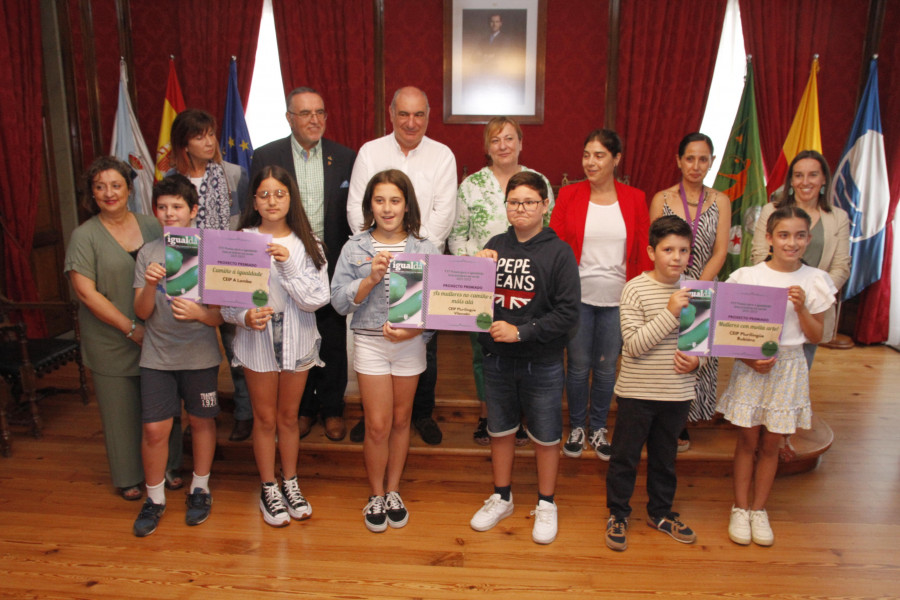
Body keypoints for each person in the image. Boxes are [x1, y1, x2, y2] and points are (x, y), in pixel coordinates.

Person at [468, 171, 579, 545]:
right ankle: (502, 496)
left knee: (546, 436)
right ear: (506, 206)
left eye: (530, 201)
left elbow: (567, 314)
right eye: (514, 202)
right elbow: (472, 303)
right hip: (497, 359)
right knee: (499, 430)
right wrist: (478, 268)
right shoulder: (494, 245)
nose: (521, 208)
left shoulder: (559, 252)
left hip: (542, 360)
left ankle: (547, 503)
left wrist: (522, 331)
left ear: (545, 206)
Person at [64, 156, 181, 501]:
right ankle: (129, 476)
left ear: (130, 189)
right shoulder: (83, 236)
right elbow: (87, 293)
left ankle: (169, 466)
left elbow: (178, 270)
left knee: (163, 406)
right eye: (100, 187)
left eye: (116, 185)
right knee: (121, 411)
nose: (108, 193)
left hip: (160, 335)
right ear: (92, 194)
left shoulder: (152, 225)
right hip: (112, 338)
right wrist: (131, 329)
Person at [718, 206, 836, 547]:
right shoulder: (747, 277)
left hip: (789, 367)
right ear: (768, 238)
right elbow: (727, 332)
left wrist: (800, 308)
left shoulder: (815, 280)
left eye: (800, 235)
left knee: (771, 444)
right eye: (784, 235)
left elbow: (816, 337)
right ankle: (739, 507)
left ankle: (759, 509)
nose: (792, 242)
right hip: (752, 366)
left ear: (809, 239)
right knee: (747, 440)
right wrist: (749, 358)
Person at [346, 86, 457, 445]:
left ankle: (420, 414)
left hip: (423, 260)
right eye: (404, 114)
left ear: (428, 116)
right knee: (371, 338)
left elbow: (443, 214)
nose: (412, 122)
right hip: (373, 257)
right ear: (391, 114)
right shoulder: (370, 152)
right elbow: (357, 207)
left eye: (419, 114)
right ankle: (373, 415)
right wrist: (374, 248)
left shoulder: (442, 155)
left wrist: (413, 253)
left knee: (423, 340)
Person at [221, 166, 330, 527]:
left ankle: (291, 481)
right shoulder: (240, 240)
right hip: (257, 338)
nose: (272, 201)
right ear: (253, 200)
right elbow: (225, 300)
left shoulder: (309, 243)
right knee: (265, 418)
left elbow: (317, 299)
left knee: (288, 417)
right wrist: (242, 317)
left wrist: (287, 268)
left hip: (298, 336)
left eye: (279, 193)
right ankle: (269, 486)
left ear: (290, 198)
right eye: (264, 194)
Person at [332, 169, 439, 532]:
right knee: (377, 425)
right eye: (380, 200)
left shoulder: (424, 248)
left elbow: (438, 306)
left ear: (406, 204)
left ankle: (394, 490)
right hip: (369, 341)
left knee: (400, 420)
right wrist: (370, 279)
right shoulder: (354, 247)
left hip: (410, 344)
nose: (387, 208)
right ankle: (375, 494)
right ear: (370, 205)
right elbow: (338, 302)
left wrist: (414, 328)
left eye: (395, 200)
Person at [251, 87, 356, 442]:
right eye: (306, 113)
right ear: (289, 118)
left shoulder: (345, 157)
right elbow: (256, 206)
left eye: (320, 112)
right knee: (295, 337)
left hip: (331, 262)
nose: (315, 120)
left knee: (331, 337)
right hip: (282, 258)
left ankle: (331, 408)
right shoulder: (267, 155)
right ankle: (303, 409)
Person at [449, 116, 554, 446]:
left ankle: (520, 419)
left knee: (525, 347)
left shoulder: (539, 183)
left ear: (521, 142)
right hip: (483, 285)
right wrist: (478, 259)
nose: (503, 145)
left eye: (509, 138)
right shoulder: (470, 187)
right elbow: (457, 236)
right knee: (484, 352)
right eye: (495, 140)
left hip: (528, 284)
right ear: (486, 147)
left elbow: (551, 234)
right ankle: (487, 415)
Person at [549, 129, 651, 461]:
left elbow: (645, 251)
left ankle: (598, 427)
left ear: (616, 159)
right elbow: (556, 244)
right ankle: (577, 426)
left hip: (619, 300)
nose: (590, 162)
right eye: (586, 155)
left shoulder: (635, 198)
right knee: (578, 366)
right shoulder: (569, 195)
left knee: (607, 368)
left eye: (599, 155)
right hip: (577, 298)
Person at [131, 175, 223, 537]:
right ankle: (154, 499)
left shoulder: (212, 250)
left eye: (178, 207)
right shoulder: (148, 253)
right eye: (163, 207)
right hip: (157, 355)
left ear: (194, 210)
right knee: (155, 428)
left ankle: (200, 488)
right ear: (155, 210)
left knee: (201, 421)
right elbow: (140, 312)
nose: (170, 213)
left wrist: (201, 314)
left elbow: (220, 316)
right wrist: (151, 284)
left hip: (200, 354)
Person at [604, 215, 702, 552]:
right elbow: (633, 345)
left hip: (676, 393)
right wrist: (670, 312)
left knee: (665, 458)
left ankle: (660, 511)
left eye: (683, 250)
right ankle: (618, 513)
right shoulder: (634, 288)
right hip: (636, 393)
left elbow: (700, 344)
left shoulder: (695, 291)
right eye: (668, 249)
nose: (676, 257)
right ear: (651, 251)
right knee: (625, 457)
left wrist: (696, 361)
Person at [750, 150, 850, 461]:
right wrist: (778, 294)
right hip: (769, 307)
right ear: (790, 180)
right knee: (762, 367)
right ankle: (756, 425)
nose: (805, 181)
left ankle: (783, 435)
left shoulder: (838, 218)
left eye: (813, 175)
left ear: (823, 180)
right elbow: (757, 255)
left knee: (798, 373)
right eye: (798, 174)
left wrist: (815, 295)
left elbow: (841, 266)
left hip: (810, 310)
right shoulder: (772, 209)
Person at [170, 108, 253, 443]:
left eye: (211, 133)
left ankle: (244, 413)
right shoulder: (170, 180)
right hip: (184, 266)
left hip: (223, 266)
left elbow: (232, 223)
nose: (209, 142)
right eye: (199, 136)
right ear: (184, 143)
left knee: (236, 345)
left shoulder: (226, 174)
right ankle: (194, 415)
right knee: (190, 344)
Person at [649, 133, 731, 452]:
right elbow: (658, 246)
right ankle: (664, 417)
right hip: (667, 283)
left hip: (703, 287)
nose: (696, 165)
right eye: (690, 158)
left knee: (694, 355)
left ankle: (684, 420)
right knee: (669, 352)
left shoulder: (721, 201)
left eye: (703, 159)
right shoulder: (663, 199)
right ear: (678, 161)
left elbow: (721, 250)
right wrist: (676, 283)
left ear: (711, 162)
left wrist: (697, 288)